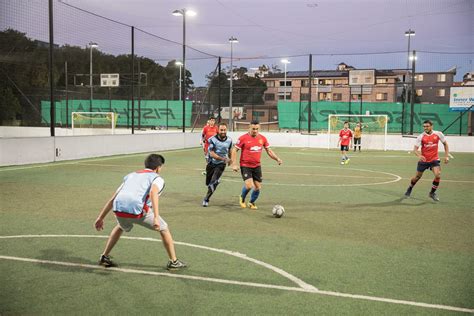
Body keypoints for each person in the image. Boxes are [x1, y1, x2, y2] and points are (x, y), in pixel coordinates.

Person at [94, 154, 187, 270]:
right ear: (158, 167)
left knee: (120, 226)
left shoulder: (130, 175)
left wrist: (100, 217)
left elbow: (113, 198)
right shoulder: (157, 178)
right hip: (138, 212)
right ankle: (173, 261)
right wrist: (156, 217)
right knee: (164, 228)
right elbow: (153, 193)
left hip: (118, 210)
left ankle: (104, 256)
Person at [232, 120, 282, 210]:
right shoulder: (243, 138)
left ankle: (251, 202)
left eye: (257, 129)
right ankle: (242, 198)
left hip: (257, 166)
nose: (255, 131)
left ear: (259, 128)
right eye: (253, 129)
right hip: (245, 165)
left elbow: (269, 151)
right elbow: (234, 150)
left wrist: (277, 158)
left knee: (258, 187)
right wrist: (234, 164)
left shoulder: (262, 138)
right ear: (249, 128)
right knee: (249, 185)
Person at [404, 120, 450, 201]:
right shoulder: (421, 136)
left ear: (432, 126)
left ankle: (432, 193)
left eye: (427, 126)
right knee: (417, 177)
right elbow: (415, 150)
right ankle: (410, 187)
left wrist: (446, 156)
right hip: (424, 161)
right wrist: (419, 155)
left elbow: (445, 144)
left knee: (438, 175)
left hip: (434, 160)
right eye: (424, 126)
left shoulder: (438, 134)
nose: (425, 128)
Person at [202, 122, 233, 207]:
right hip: (211, 163)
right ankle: (215, 182)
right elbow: (211, 154)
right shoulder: (212, 139)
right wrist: (223, 158)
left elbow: (230, 150)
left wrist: (230, 160)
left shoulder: (229, 140)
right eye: (221, 130)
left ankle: (206, 199)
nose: (223, 132)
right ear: (218, 130)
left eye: (224, 130)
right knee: (208, 183)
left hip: (221, 165)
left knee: (213, 182)